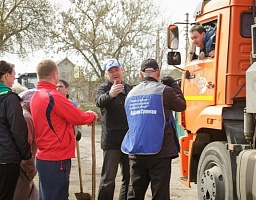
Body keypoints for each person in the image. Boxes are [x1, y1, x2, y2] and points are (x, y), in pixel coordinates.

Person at [30, 59, 98, 200]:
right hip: (57, 158)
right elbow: (77, 116)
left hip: (44, 156)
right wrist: (91, 115)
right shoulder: (53, 96)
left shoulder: (36, 95)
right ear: (55, 74)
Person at [121, 58, 186, 200]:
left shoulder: (130, 94)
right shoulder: (165, 91)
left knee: (134, 194)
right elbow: (181, 106)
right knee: (160, 194)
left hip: (135, 151)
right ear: (158, 73)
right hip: (160, 152)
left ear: (141, 74)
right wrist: (174, 85)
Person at [95, 58, 132, 200]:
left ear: (121, 70)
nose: (115, 73)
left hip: (128, 140)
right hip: (111, 141)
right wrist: (111, 94)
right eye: (111, 71)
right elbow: (99, 102)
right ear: (106, 74)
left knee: (128, 179)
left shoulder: (129, 88)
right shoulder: (104, 88)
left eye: (117, 70)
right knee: (108, 179)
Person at [0, 60, 32, 199]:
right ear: (6, 75)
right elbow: (18, 130)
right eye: (13, 74)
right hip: (6, 158)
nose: (14, 78)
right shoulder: (10, 98)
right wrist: (26, 153)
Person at [13, 89, 38, 200]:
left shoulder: (18, 113)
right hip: (22, 170)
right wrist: (31, 170)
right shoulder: (26, 117)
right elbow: (24, 147)